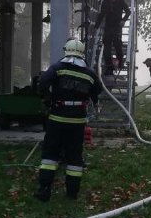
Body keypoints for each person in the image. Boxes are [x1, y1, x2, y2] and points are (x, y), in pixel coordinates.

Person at [35, 38, 102, 201]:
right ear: (82, 54)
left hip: (57, 118)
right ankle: (72, 193)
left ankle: (44, 190)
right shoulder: (90, 74)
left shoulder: (57, 68)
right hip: (77, 122)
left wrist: (47, 98)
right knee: (74, 156)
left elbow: (42, 83)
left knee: (50, 154)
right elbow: (97, 91)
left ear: (67, 51)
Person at [94, 0, 130, 75]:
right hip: (108, 26)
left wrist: (123, 20)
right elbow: (101, 15)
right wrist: (96, 26)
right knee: (107, 46)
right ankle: (109, 65)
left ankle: (120, 62)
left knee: (117, 44)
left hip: (117, 26)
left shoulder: (120, 0)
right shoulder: (105, 2)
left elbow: (128, 12)